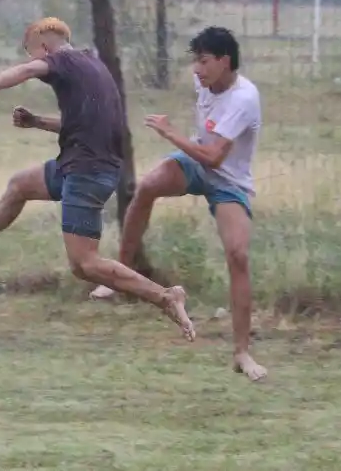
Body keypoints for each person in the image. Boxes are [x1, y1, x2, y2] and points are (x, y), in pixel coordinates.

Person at [0, 17, 195, 340]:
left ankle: (166, 296)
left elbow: (25, 72)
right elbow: (82, 123)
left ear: (43, 46)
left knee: (84, 264)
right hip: (83, 165)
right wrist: (37, 122)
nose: (34, 62)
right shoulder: (90, 65)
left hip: (86, 172)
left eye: (33, 54)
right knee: (20, 185)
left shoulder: (63, 60)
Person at [89, 26, 267, 381]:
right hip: (195, 164)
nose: (196, 70)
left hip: (228, 181)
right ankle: (119, 276)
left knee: (238, 256)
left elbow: (216, 158)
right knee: (145, 189)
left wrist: (170, 133)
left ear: (224, 61)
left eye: (203, 61)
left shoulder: (244, 98)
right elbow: (204, 148)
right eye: (194, 61)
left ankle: (242, 354)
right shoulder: (205, 83)